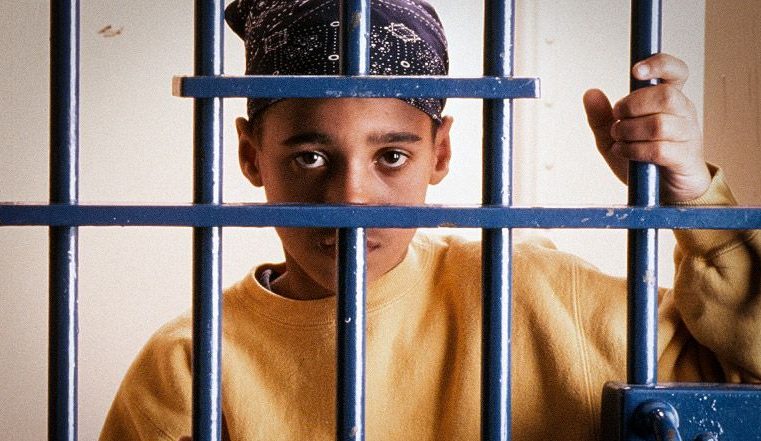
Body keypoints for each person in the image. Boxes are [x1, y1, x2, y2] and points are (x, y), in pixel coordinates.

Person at [99, 0, 761, 440]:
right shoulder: (191, 362)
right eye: (309, 156)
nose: (351, 198)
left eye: (391, 155)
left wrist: (694, 202)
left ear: (439, 152)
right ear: (251, 156)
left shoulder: (533, 293)